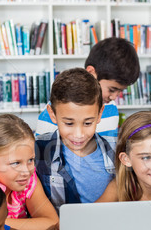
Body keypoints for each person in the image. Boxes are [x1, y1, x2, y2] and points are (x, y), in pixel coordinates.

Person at [35, 68, 116, 211]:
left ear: (99, 114)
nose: (79, 134)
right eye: (69, 123)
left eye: (87, 123)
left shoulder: (116, 151)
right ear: (52, 114)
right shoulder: (37, 151)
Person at [35, 37, 140, 140]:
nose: (114, 97)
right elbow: (42, 152)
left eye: (120, 91)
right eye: (112, 90)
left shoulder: (111, 108)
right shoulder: (56, 111)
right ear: (91, 73)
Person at [0, 114, 59, 230]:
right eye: (16, 163)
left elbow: (53, 225)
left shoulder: (26, 179)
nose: (26, 171)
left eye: (30, 160)